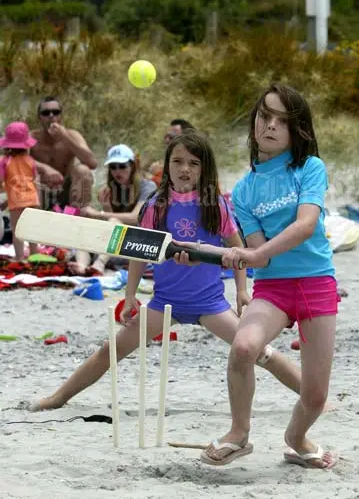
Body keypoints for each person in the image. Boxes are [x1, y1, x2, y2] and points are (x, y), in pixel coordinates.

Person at [27, 130, 303, 413]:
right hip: (163, 303)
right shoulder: (156, 206)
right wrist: (131, 295)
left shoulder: (214, 205)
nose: (185, 169)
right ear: (167, 165)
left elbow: (238, 250)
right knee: (110, 350)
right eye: (178, 161)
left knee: (259, 353)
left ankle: (314, 397)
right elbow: (138, 253)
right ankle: (59, 397)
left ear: (205, 168)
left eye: (194, 163)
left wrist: (242, 291)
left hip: (210, 304)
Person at [193, 83, 338, 469]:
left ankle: (296, 439)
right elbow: (263, 258)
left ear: (297, 129)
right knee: (243, 347)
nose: (269, 125)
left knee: (315, 397)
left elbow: (306, 225)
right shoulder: (243, 190)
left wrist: (253, 253)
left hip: (316, 284)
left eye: (281, 120)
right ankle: (238, 434)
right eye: (264, 116)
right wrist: (222, 255)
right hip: (273, 288)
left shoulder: (310, 168)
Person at [68, 144, 157, 275]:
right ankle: (82, 267)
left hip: (138, 244)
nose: (117, 172)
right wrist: (106, 207)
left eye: (122, 166)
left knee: (112, 221)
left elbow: (136, 217)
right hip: (115, 245)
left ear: (132, 166)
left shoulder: (147, 186)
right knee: (85, 230)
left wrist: (100, 213)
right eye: (113, 167)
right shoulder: (111, 188)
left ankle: (100, 263)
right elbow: (114, 222)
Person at [31, 96, 98, 211]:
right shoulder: (31, 138)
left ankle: (78, 216)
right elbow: (14, 160)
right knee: (30, 174)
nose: (51, 116)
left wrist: (64, 136)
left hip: (67, 191)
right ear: (39, 117)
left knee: (82, 170)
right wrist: (44, 168)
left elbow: (92, 163)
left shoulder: (72, 135)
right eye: (46, 113)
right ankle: (36, 219)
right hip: (41, 190)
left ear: (61, 116)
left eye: (56, 112)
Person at [0, 122, 39, 260]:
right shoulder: (30, 160)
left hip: (16, 201)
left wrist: (6, 196)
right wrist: (6, 202)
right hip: (33, 198)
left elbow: (2, 181)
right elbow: (30, 180)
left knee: (18, 231)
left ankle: (20, 257)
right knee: (32, 230)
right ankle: (35, 256)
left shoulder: (5, 161)